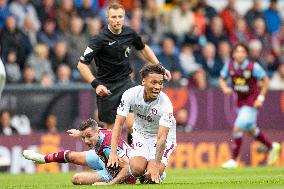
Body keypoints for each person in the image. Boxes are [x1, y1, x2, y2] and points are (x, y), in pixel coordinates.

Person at [77, 3, 171, 132]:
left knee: (132, 124)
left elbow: (143, 48)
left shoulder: (129, 33)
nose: (117, 20)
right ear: (107, 18)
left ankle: (133, 152)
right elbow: (81, 65)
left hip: (126, 83)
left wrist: (159, 67)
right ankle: (108, 152)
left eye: (120, 16)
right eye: (114, 17)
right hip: (107, 87)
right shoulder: (99, 39)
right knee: (111, 129)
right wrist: (96, 84)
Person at [108, 64, 176, 184]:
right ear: (143, 81)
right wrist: (113, 152)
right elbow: (118, 124)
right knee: (136, 169)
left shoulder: (166, 105)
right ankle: (147, 168)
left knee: (150, 178)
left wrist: (155, 166)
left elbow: (161, 138)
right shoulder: (130, 94)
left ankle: (160, 172)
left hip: (162, 139)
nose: (157, 87)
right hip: (141, 134)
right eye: (153, 82)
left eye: (160, 83)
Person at [219, 43, 281, 168]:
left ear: (246, 54)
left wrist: (261, 98)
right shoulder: (229, 65)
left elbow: (266, 81)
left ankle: (234, 160)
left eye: (243, 52)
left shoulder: (253, 67)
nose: (240, 54)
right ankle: (271, 146)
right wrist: (225, 88)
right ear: (234, 54)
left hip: (252, 102)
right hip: (240, 102)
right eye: (237, 51)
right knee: (252, 130)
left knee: (237, 128)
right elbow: (221, 78)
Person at [22, 118, 136, 185]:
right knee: (72, 156)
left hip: (116, 173)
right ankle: (42, 159)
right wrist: (79, 133)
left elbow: (128, 167)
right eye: (83, 137)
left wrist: (109, 184)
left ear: (97, 132)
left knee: (76, 179)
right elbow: (89, 132)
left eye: (88, 137)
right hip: (105, 160)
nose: (86, 141)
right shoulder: (99, 133)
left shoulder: (109, 147)